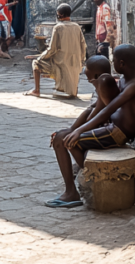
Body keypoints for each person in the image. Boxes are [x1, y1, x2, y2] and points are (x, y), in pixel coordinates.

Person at [45, 45, 135, 207]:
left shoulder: (134, 85)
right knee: (63, 136)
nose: (113, 64)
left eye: (115, 61)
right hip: (112, 127)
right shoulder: (123, 80)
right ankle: (77, 183)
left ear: (122, 64)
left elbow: (109, 109)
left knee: (67, 141)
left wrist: (78, 131)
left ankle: (80, 185)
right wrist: (73, 129)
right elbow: (100, 107)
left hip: (117, 133)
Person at [44, 55, 118, 207]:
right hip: (99, 128)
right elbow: (92, 110)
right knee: (61, 135)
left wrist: (75, 132)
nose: (90, 83)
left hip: (107, 134)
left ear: (97, 77)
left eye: (90, 79)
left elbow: (98, 113)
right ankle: (71, 189)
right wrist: (72, 129)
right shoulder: (104, 83)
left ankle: (71, 192)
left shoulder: (105, 86)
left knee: (62, 140)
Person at [24, 3, 86, 98]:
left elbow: (52, 50)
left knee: (36, 63)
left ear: (59, 14)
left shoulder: (58, 27)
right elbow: (83, 46)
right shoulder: (77, 27)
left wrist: (40, 57)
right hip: (76, 64)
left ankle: (36, 90)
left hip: (60, 64)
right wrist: (81, 61)